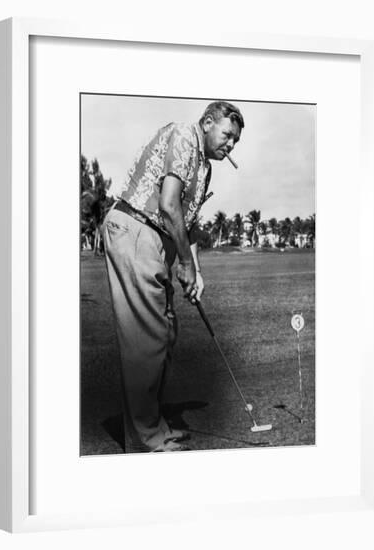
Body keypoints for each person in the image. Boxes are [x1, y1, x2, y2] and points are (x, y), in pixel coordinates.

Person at [102, 101, 244, 453]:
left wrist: (196, 271)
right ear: (207, 122)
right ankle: (147, 437)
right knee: (147, 339)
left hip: (155, 240)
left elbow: (188, 221)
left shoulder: (205, 169)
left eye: (235, 142)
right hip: (135, 228)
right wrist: (185, 263)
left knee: (164, 332)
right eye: (227, 134)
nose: (230, 145)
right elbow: (168, 205)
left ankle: (152, 426)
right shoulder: (183, 135)